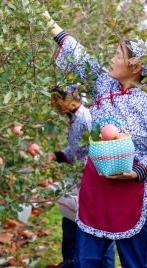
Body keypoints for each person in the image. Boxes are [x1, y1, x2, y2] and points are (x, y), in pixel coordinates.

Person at [44, 11, 147, 267]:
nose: (111, 59)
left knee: (134, 262)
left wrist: (137, 173)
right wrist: (46, 18)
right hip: (95, 188)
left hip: (131, 191)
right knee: (88, 258)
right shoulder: (102, 85)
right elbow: (79, 56)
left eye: (118, 55)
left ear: (136, 66)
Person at [46, 83, 115, 268]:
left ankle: (100, 264)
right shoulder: (73, 118)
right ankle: (70, 262)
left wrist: (84, 170)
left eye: (56, 99)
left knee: (94, 225)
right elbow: (77, 151)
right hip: (79, 179)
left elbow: (95, 150)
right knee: (70, 221)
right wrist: (55, 155)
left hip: (90, 180)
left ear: (70, 98)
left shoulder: (85, 118)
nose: (53, 103)